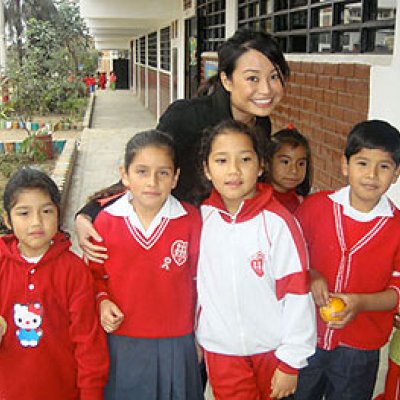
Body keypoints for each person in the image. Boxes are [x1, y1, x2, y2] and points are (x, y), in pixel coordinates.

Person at [75, 28, 290, 263]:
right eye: (253, 78)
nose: (267, 89)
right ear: (226, 80)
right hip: (175, 241)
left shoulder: (261, 124)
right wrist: (90, 212)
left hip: (223, 240)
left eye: (274, 76)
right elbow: (146, 167)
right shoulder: (186, 117)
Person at [195, 119, 316, 399]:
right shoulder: (201, 219)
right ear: (207, 168)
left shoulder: (279, 223)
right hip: (222, 350)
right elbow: (194, 284)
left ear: (261, 165)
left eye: (245, 159)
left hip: (272, 350)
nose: (234, 170)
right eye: (222, 160)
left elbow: (297, 293)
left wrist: (291, 361)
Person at [87, 130, 204, 400]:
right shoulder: (106, 221)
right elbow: (94, 276)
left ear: (175, 177)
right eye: (141, 171)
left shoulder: (190, 220)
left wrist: (201, 336)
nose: (152, 181)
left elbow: (202, 280)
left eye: (163, 173)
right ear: (124, 175)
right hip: (123, 339)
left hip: (178, 338)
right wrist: (102, 301)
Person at [292, 119, 400, 400]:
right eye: (362, 163)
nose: (372, 175)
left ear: (396, 174)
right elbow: (289, 259)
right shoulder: (315, 208)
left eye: (384, 166)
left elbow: (397, 292)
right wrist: (311, 274)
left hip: (360, 348)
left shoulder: (397, 227)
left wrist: (362, 303)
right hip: (305, 337)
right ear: (345, 165)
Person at [0, 168, 109, 399]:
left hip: (62, 391)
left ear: (59, 214)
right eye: (24, 213)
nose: (36, 222)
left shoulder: (74, 270)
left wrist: (91, 393)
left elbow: (88, 342)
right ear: (7, 219)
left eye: (46, 211)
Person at [266, 124, 312, 213]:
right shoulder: (257, 200)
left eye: (301, 163)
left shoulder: (304, 202)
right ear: (267, 163)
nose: (294, 170)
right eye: (285, 162)